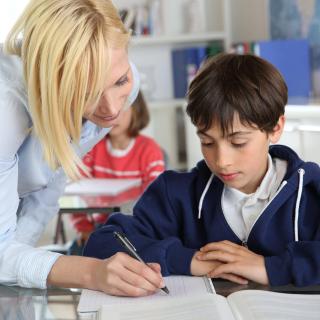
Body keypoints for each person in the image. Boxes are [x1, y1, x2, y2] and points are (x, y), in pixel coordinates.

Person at [84, 53, 320, 287]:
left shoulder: (312, 189)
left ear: (275, 128)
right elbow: (102, 244)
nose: (222, 160)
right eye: (207, 142)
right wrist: (187, 260)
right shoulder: (176, 193)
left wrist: (271, 268)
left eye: (238, 143)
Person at [0, 0, 165, 297]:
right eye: (87, 94)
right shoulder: (6, 112)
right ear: (53, 83)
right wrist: (92, 272)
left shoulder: (126, 85)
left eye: (120, 81)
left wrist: (16, 258)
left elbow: (51, 180)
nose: (113, 109)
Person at [69, 91, 165, 254]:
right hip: (99, 229)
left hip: (137, 228)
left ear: (136, 110)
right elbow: (78, 195)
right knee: (76, 253)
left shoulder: (149, 150)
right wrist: (83, 228)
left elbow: (156, 201)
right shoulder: (92, 149)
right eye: (103, 107)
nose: (112, 114)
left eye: (122, 108)